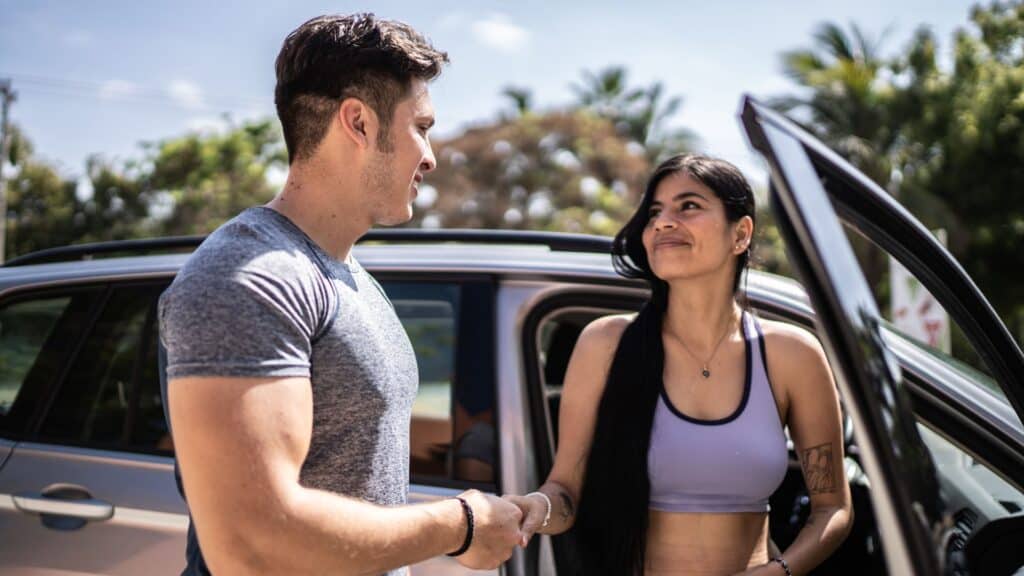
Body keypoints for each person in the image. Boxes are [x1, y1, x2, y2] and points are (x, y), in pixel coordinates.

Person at [159, 13, 523, 575]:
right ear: (357, 122)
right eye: (421, 126)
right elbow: (251, 542)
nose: (429, 156)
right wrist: (461, 524)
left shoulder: (348, 275)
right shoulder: (250, 276)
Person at [505, 154, 853, 575]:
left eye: (688, 206)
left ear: (741, 234)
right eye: (655, 212)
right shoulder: (605, 344)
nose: (663, 222)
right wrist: (533, 509)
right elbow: (565, 493)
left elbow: (833, 508)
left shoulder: (792, 354)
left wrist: (779, 572)